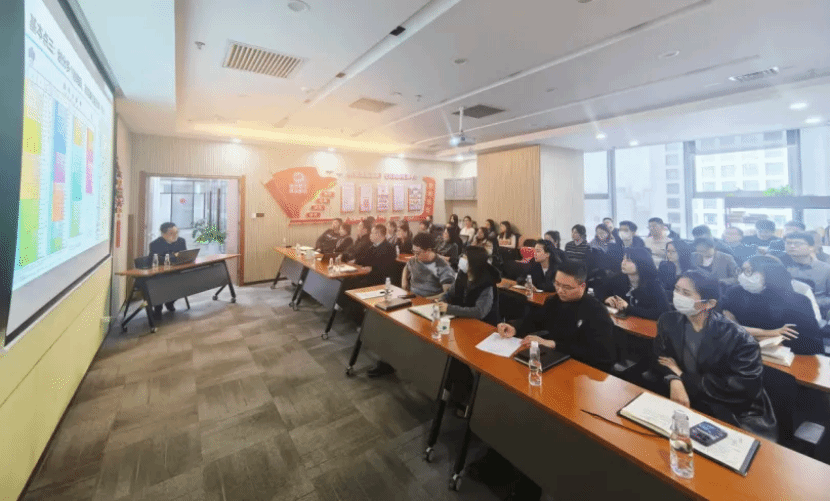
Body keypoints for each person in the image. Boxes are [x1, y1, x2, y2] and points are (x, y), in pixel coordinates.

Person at [653, 271, 777, 440]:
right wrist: (674, 379)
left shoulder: (739, 339)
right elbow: (661, 355)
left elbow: (741, 388)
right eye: (676, 289)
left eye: (686, 293)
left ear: (709, 303)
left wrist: (683, 377)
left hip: (732, 413)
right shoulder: (668, 321)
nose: (678, 296)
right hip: (690, 403)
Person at [498, 261, 616, 371]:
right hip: (554, 358)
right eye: (557, 284)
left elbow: (599, 354)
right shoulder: (554, 300)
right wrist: (515, 327)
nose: (560, 290)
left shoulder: (597, 312)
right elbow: (535, 320)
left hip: (583, 368)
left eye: (567, 287)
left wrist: (553, 344)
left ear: (582, 286)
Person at [721, 256, 824, 355]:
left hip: (787, 355)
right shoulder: (734, 293)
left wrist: (755, 336)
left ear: (769, 274)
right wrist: (771, 333)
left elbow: (806, 342)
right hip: (742, 351)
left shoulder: (798, 301)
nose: (742, 275)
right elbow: (725, 327)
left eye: (749, 271)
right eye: (742, 270)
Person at [598, 247, 671, 320]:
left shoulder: (653, 285)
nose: (623, 263)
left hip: (643, 325)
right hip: (622, 323)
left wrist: (629, 308)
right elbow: (598, 291)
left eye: (629, 260)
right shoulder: (619, 278)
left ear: (641, 263)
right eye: (623, 259)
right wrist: (606, 299)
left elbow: (663, 313)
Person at [438, 246, 501, 324]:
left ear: (473, 263)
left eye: (464, 258)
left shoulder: (487, 284)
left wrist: (449, 309)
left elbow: (479, 312)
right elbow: (449, 294)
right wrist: (442, 301)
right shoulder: (462, 275)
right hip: (461, 320)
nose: (461, 260)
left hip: (482, 324)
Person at [783, 231, 830, 316]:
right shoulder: (781, 266)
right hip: (785, 313)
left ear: (811, 247)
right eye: (788, 243)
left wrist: (810, 301)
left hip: (815, 314)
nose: (792, 246)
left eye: (798, 243)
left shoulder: (826, 269)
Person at [149, 222, 187, 316]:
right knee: (161, 285)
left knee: (187, 282)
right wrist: (174, 256)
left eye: (177, 232)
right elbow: (157, 260)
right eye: (172, 233)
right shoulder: (155, 244)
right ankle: (158, 308)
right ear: (163, 234)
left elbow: (184, 256)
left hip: (177, 272)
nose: (175, 235)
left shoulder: (181, 241)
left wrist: (171, 257)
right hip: (161, 274)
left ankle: (170, 302)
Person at [402, 232, 455, 298]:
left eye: (417, 253)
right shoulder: (415, 260)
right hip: (412, 297)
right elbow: (406, 267)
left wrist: (426, 300)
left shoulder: (443, 266)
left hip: (429, 300)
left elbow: (448, 294)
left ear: (428, 250)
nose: (415, 256)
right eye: (413, 252)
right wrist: (404, 280)